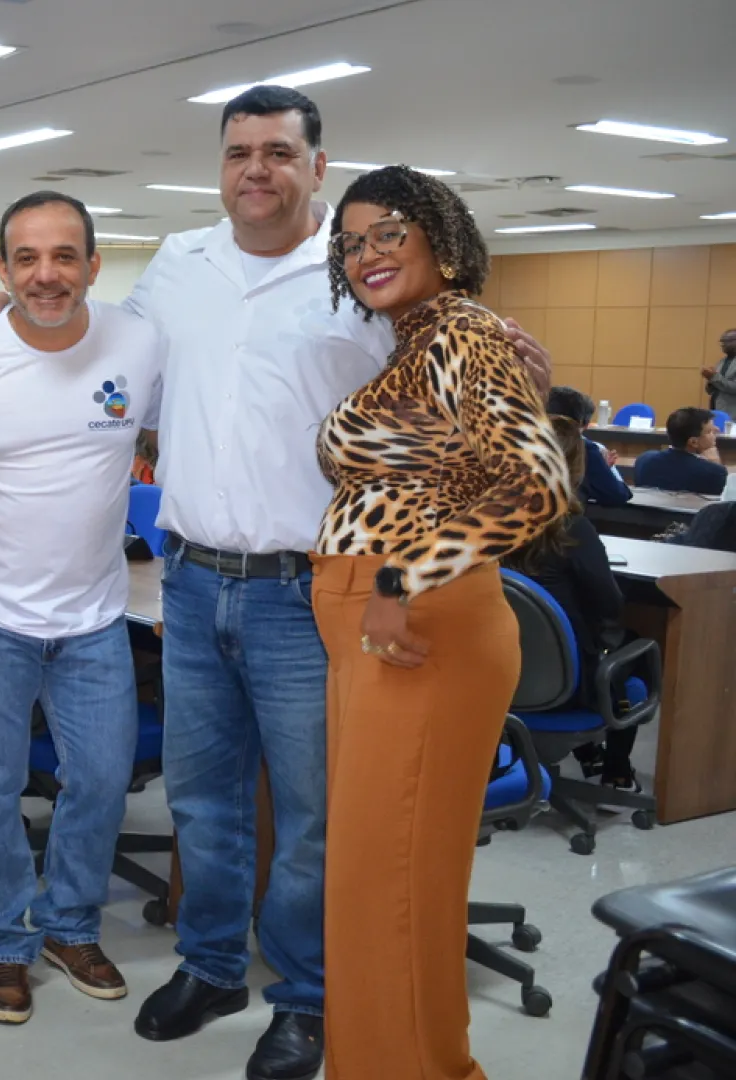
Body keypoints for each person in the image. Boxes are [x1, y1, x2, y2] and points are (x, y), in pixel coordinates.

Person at [0, 86, 553, 1080]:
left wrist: (515, 387)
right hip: (191, 581)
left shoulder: (361, 278)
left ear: (316, 166)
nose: (256, 171)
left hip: (308, 588)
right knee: (204, 800)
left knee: (311, 815)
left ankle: (308, 997)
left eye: (278, 152)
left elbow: (473, 418)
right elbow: (93, 337)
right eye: (239, 153)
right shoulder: (180, 264)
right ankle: (211, 966)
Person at [316, 164, 569, 1080]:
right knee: (377, 883)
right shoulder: (415, 341)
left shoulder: (461, 330)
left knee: (388, 888)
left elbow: (539, 484)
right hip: (373, 623)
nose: (367, 253)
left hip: (419, 624)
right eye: (351, 242)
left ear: (442, 238)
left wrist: (400, 576)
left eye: (388, 231)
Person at [0, 191, 164, 1028]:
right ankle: (5, 940)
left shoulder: (138, 342)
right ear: (2, 270)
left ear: (94, 265)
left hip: (95, 619)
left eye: (65, 256)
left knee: (103, 781)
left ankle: (70, 927)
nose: (47, 275)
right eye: (28, 259)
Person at [506, 417, 640, 793]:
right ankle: (616, 771)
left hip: (501, 674)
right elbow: (609, 603)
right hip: (569, 685)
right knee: (636, 647)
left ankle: (587, 753)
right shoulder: (570, 528)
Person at [545, 386, 632, 507]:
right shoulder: (586, 450)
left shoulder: (526, 442)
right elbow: (618, 495)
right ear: (583, 424)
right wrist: (604, 469)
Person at [633, 407, 726, 495]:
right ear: (693, 442)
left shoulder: (644, 459)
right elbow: (721, 501)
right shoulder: (714, 472)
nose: (717, 430)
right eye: (709, 431)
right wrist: (715, 464)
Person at [702, 327, 736, 414]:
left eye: (726, 341)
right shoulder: (722, 361)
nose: (722, 344)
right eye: (721, 341)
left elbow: (734, 388)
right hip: (717, 409)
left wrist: (713, 377)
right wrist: (710, 380)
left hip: (732, 413)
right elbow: (711, 390)